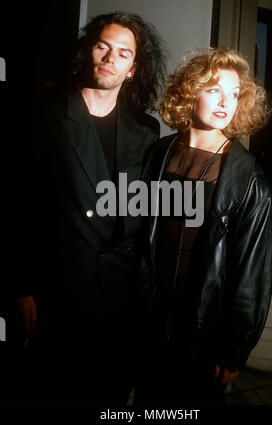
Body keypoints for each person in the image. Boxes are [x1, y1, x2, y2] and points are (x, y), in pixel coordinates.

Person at [16, 11, 165, 405]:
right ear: (88, 52)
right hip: (61, 288)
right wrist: (22, 287)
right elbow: (21, 205)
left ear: (133, 68)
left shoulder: (146, 130)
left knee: (110, 392)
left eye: (122, 52)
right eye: (103, 46)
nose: (109, 58)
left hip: (121, 295)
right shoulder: (46, 115)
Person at [135, 47, 272, 406]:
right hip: (150, 318)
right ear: (190, 91)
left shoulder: (248, 178)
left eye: (234, 93)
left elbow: (251, 275)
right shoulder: (159, 152)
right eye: (214, 89)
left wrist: (234, 349)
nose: (225, 101)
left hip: (202, 330)